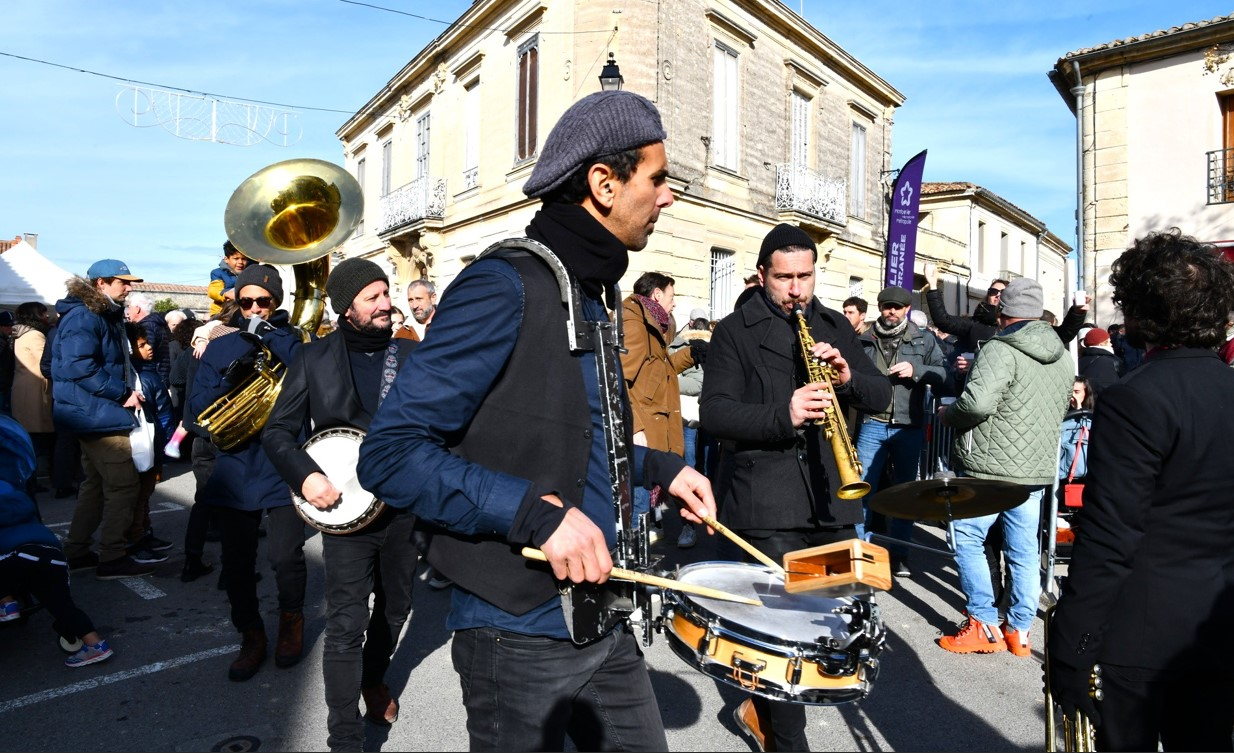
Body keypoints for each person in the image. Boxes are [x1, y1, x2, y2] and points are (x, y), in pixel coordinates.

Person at [357, 90, 716, 752]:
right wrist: (537, 515)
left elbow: (572, 442)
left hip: (602, 614)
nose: (669, 197)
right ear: (604, 184)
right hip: (514, 628)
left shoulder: (592, 295)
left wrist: (666, 467)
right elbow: (390, 454)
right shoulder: (505, 284)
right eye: (658, 178)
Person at [700, 223, 891, 752]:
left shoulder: (832, 323)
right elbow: (715, 412)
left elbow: (878, 393)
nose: (796, 289)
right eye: (784, 278)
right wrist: (783, 413)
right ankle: (786, 739)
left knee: (825, 633)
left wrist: (849, 375)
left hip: (830, 504)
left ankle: (763, 715)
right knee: (783, 642)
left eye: (805, 276)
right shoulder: (735, 331)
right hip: (766, 509)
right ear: (763, 275)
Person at [1048, 230, 1234, 751]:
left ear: (1140, 312)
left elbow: (1112, 537)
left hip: (1147, 635)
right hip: (1220, 623)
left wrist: (1073, 643)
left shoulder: (1135, 397)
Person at [263, 258, 418, 752]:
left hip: (403, 507)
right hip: (344, 515)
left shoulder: (411, 356)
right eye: (371, 297)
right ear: (345, 307)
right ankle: (344, 735)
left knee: (396, 609)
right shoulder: (313, 359)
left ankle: (374, 679)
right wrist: (306, 476)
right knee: (348, 622)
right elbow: (278, 432)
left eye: (385, 293)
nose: (385, 304)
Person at [936, 277, 1073, 657]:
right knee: (1024, 550)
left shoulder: (1000, 348)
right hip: (1034, 468)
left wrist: (949, 415)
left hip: (989, 467)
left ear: (1002, 313)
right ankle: (1020, 631)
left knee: (966, 538)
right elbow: (1062, 406)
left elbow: (977, 405)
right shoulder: (1063, 353)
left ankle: (983, 623)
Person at [187, 263, 308, 681]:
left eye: (263, 301)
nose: (254, 308)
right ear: (235, 303)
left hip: (283, 464)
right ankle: (251, 634)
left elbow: (312, 377)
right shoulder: (221, 345)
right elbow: (197, 409)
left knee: (286, 557)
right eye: (246, 302)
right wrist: (231, 377)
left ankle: (292, 622)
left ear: (276, 301)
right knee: (237, 563)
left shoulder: (295, 341)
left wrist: (271, 338)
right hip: (236, 465)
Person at [52, 259, 155, 580]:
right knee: (122, 486)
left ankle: (78, 551)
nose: (129, 287)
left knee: (95, 487)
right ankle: (112, 556)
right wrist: (120, 392)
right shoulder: (87, 315)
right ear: (100, 283)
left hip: (90, 412)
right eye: (121, 282)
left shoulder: (96, 313)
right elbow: (78, 365)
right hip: (97, 413)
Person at [0, 415, 114, 667]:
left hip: (11, 557)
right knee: (58, 601)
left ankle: (6, 601)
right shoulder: (15, 493)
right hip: (50, 551)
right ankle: (95, 643)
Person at [854, 286, 946, 577]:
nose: (891, 312)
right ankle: (861, 554)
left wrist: (916, 369)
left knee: (905, 493)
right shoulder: (864, 339)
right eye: (886, 306)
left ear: (907, 309)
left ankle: (899, 555)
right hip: (872, 422)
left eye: (897, 307)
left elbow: (945, 375)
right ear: (879, 308)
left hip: (909, 424)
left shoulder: (924, 339)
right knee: (861, 490)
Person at [620, 272, 699, 531]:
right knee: (639, 505)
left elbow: (658, 371)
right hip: (643, 431)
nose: (674, 303)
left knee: (646, 504)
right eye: (671, 296)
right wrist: (635, 427)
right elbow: (619, 379)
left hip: (655, 424)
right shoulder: (635, 323)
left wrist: (692, 354)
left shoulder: (653, 323)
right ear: (656, 295)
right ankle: (631, 563)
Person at [124, 324, 175, 564]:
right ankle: (136, 539)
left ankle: (145, 533)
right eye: (142, 344)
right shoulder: (143, 376)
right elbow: (163, 412)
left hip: (147, 440)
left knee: (144, 493)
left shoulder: (142, 371)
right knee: (140, 494)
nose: (149, 347)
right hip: (148, 440)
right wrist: (166, 444)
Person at [673, 309, 713, 549]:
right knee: (689, 467)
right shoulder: (679, 345)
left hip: (706, 416)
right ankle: (689, 525)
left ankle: (705, 513)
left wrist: (670, 380)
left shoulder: (709, 347)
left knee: (704, 468)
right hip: (689, 416)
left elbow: (697, 382)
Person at [10, 303, 54, 492]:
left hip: (23, 391)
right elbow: (46, 364)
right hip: (36, 391)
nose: (46, 316)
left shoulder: (20, 334)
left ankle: (30, 480)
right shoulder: (35, 335)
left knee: (29, 438)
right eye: (43, 313)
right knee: (37, 441)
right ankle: (32, 481)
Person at [125, 292, 173, 385]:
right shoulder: (155, 323)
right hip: (160, 376)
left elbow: (145, 356)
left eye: (129, 307)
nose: (128, 311)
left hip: (154, 378)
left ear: (137, 309)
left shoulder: (147, 326)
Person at [207, 241, 250, 316]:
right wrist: (227, 294)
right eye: (236, 259)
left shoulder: (249, 274)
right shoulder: (217, 273)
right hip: (221, 313)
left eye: (244, 259)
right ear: (226, 259)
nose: (240, 262)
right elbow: (213, 291)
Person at [1076, 327, 1122, 395]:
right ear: (1101, 344)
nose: (1111, 344)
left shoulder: (1079, 361)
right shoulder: (1112, 362)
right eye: (1109, 342)